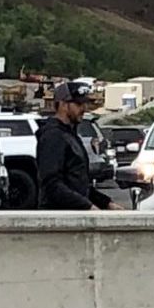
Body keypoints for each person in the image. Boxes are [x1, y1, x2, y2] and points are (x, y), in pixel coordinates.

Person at [36, 78, 113, 210]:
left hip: (74, 215)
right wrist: (88, 207)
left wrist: (107, 204)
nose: (84, 108)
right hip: (60, 219)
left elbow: (79, 184)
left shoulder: (70, 135)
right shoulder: (53, 136)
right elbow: (52, 185)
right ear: (62, 105)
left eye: (85, 104)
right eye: (78, 104)